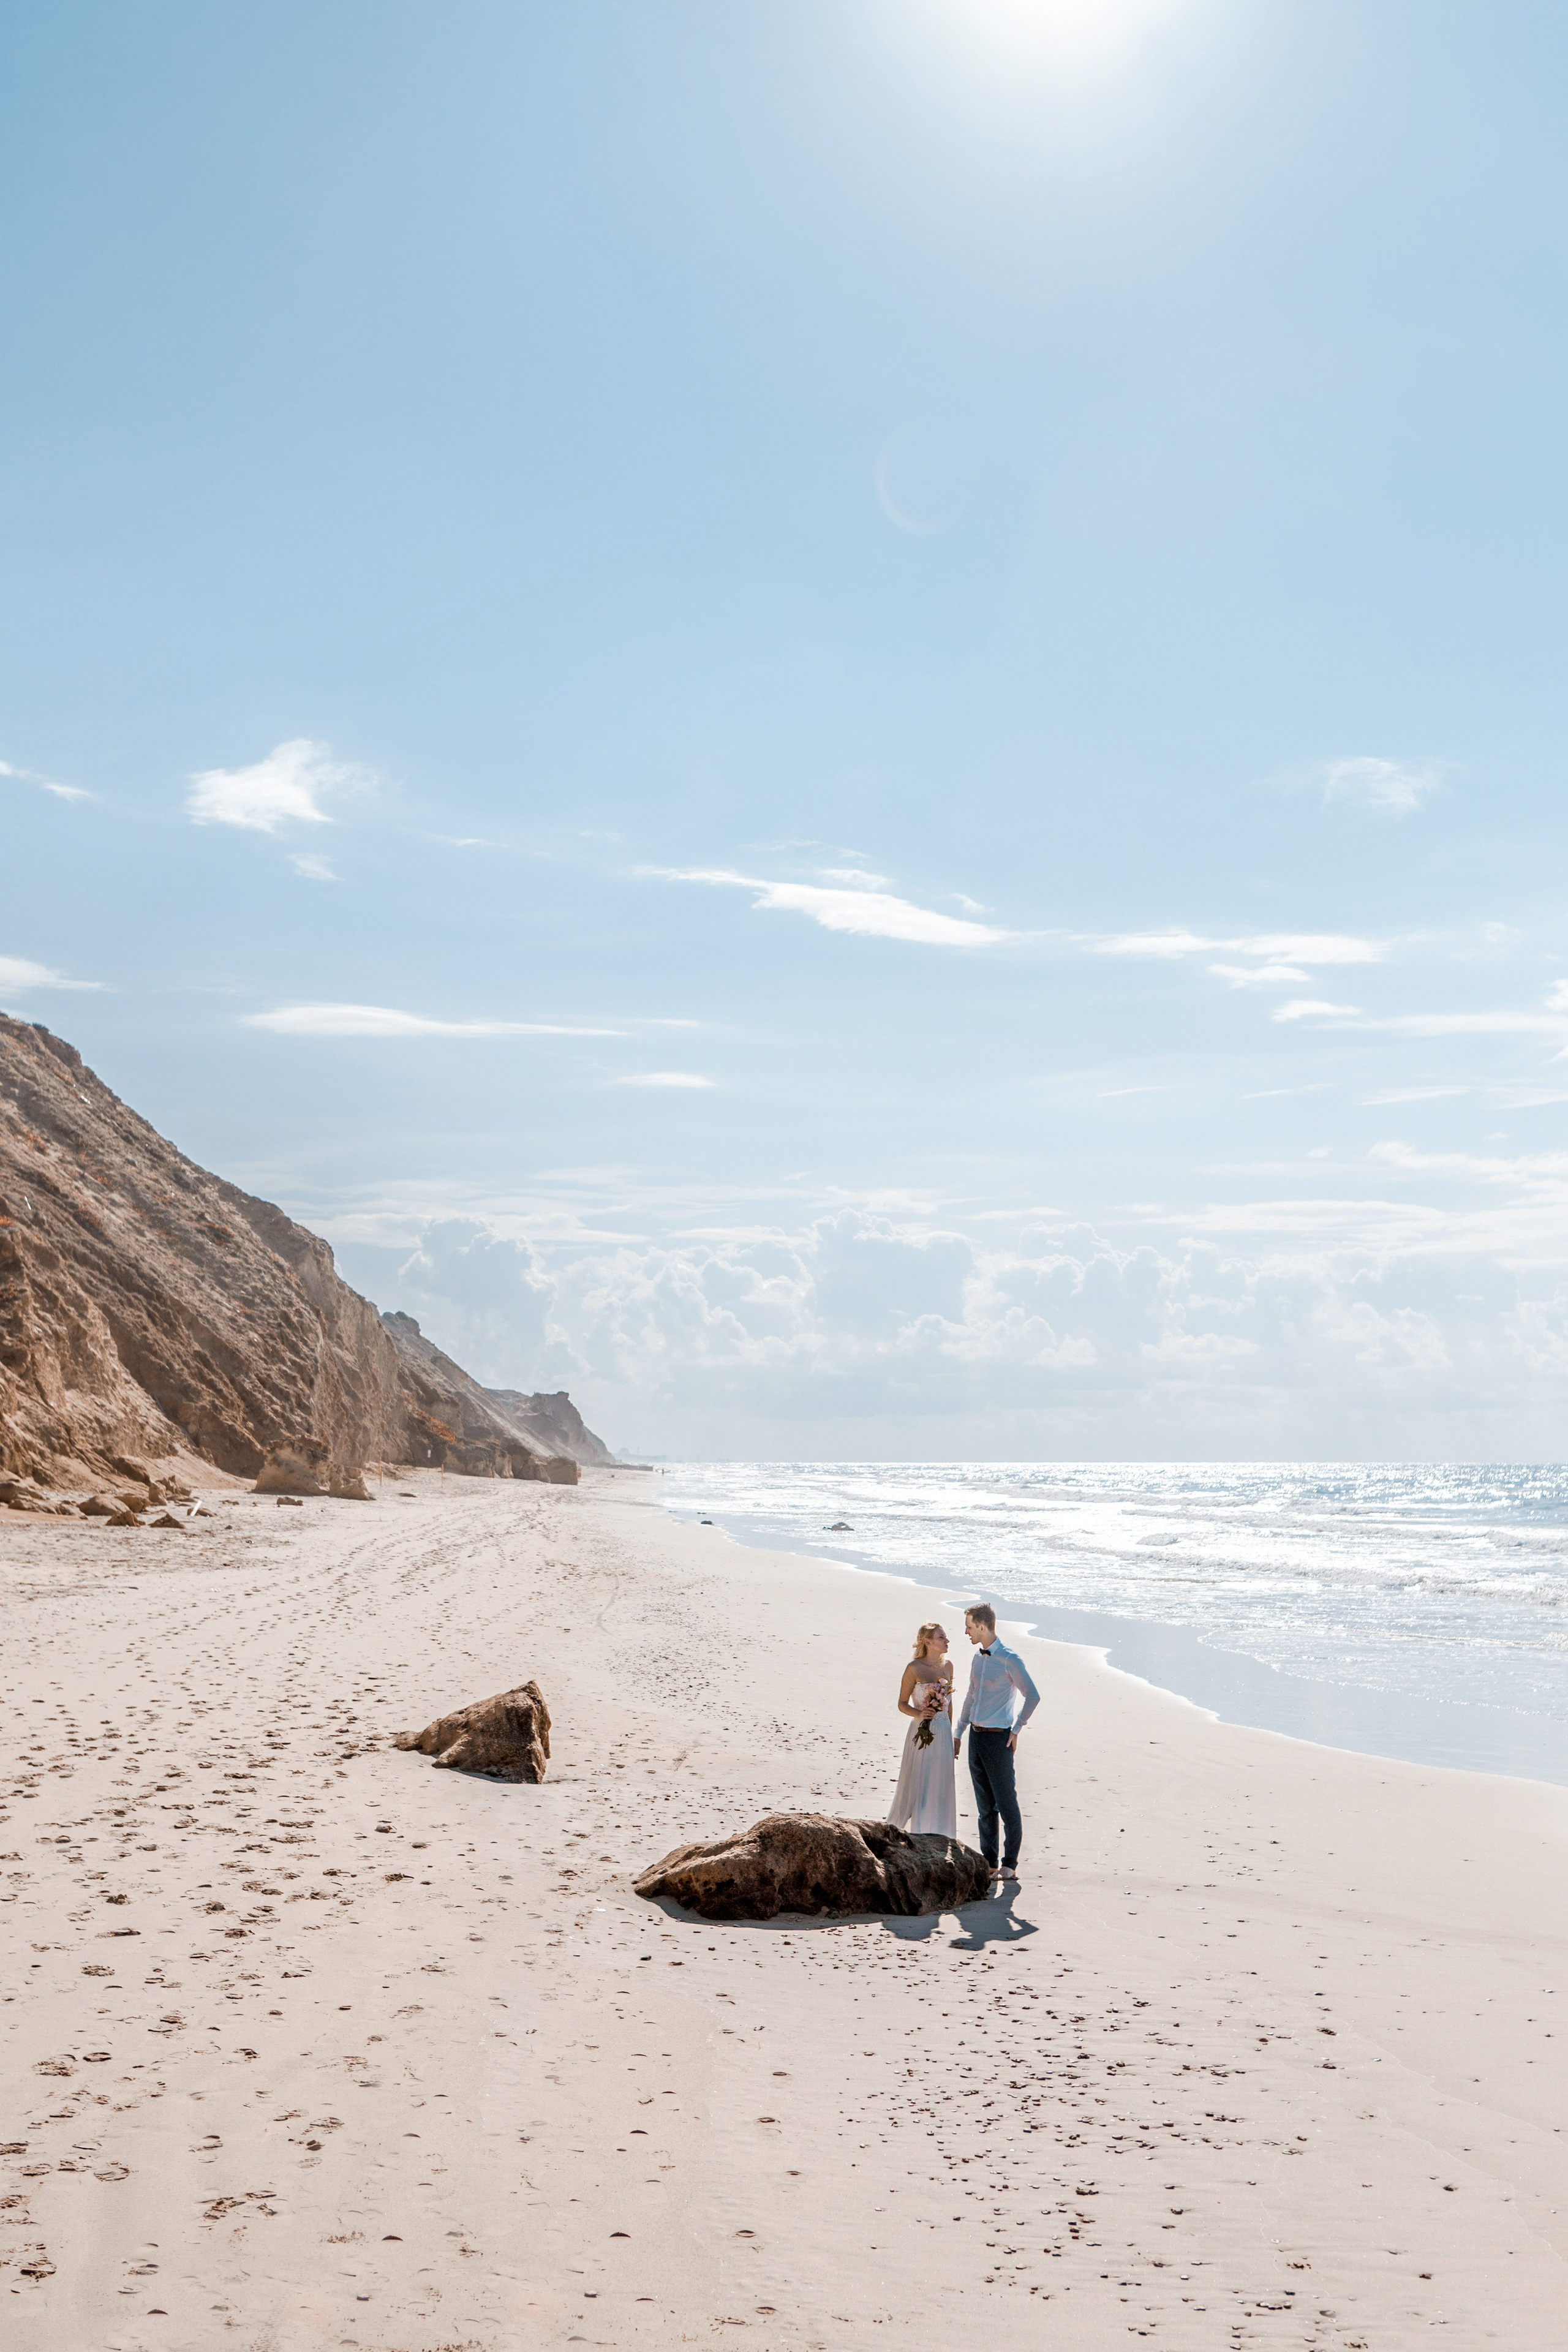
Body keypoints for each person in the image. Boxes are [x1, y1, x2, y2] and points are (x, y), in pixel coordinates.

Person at [953, 1603, 1039, 1882]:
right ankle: (989, 1864)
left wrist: (1016, 1730)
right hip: (975, 1739)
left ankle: (1009, 1865)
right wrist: (959, 1732)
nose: (966, 1632)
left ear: (982, 1626)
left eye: (969, 1626)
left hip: (999, 1740)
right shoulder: (978, 1659)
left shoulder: (1009, 1659)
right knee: (984, 1807)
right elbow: (970, 1697)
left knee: (1006, 1804)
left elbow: (1033, 1696)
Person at [886, 1619, 957, 1839]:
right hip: (921, 1731)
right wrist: (919, 1714)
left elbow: (950, 1702)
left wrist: (952, 1735)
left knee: (940, 1783)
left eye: (945, 1637)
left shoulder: (948, 1666)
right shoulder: (914, 1668)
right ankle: (917, 1833)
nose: (947, 1641)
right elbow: (901, 1703)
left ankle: (940, 1834)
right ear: (928, 1641)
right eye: (941, 1637)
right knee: (920, 1782)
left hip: (943, 1731)